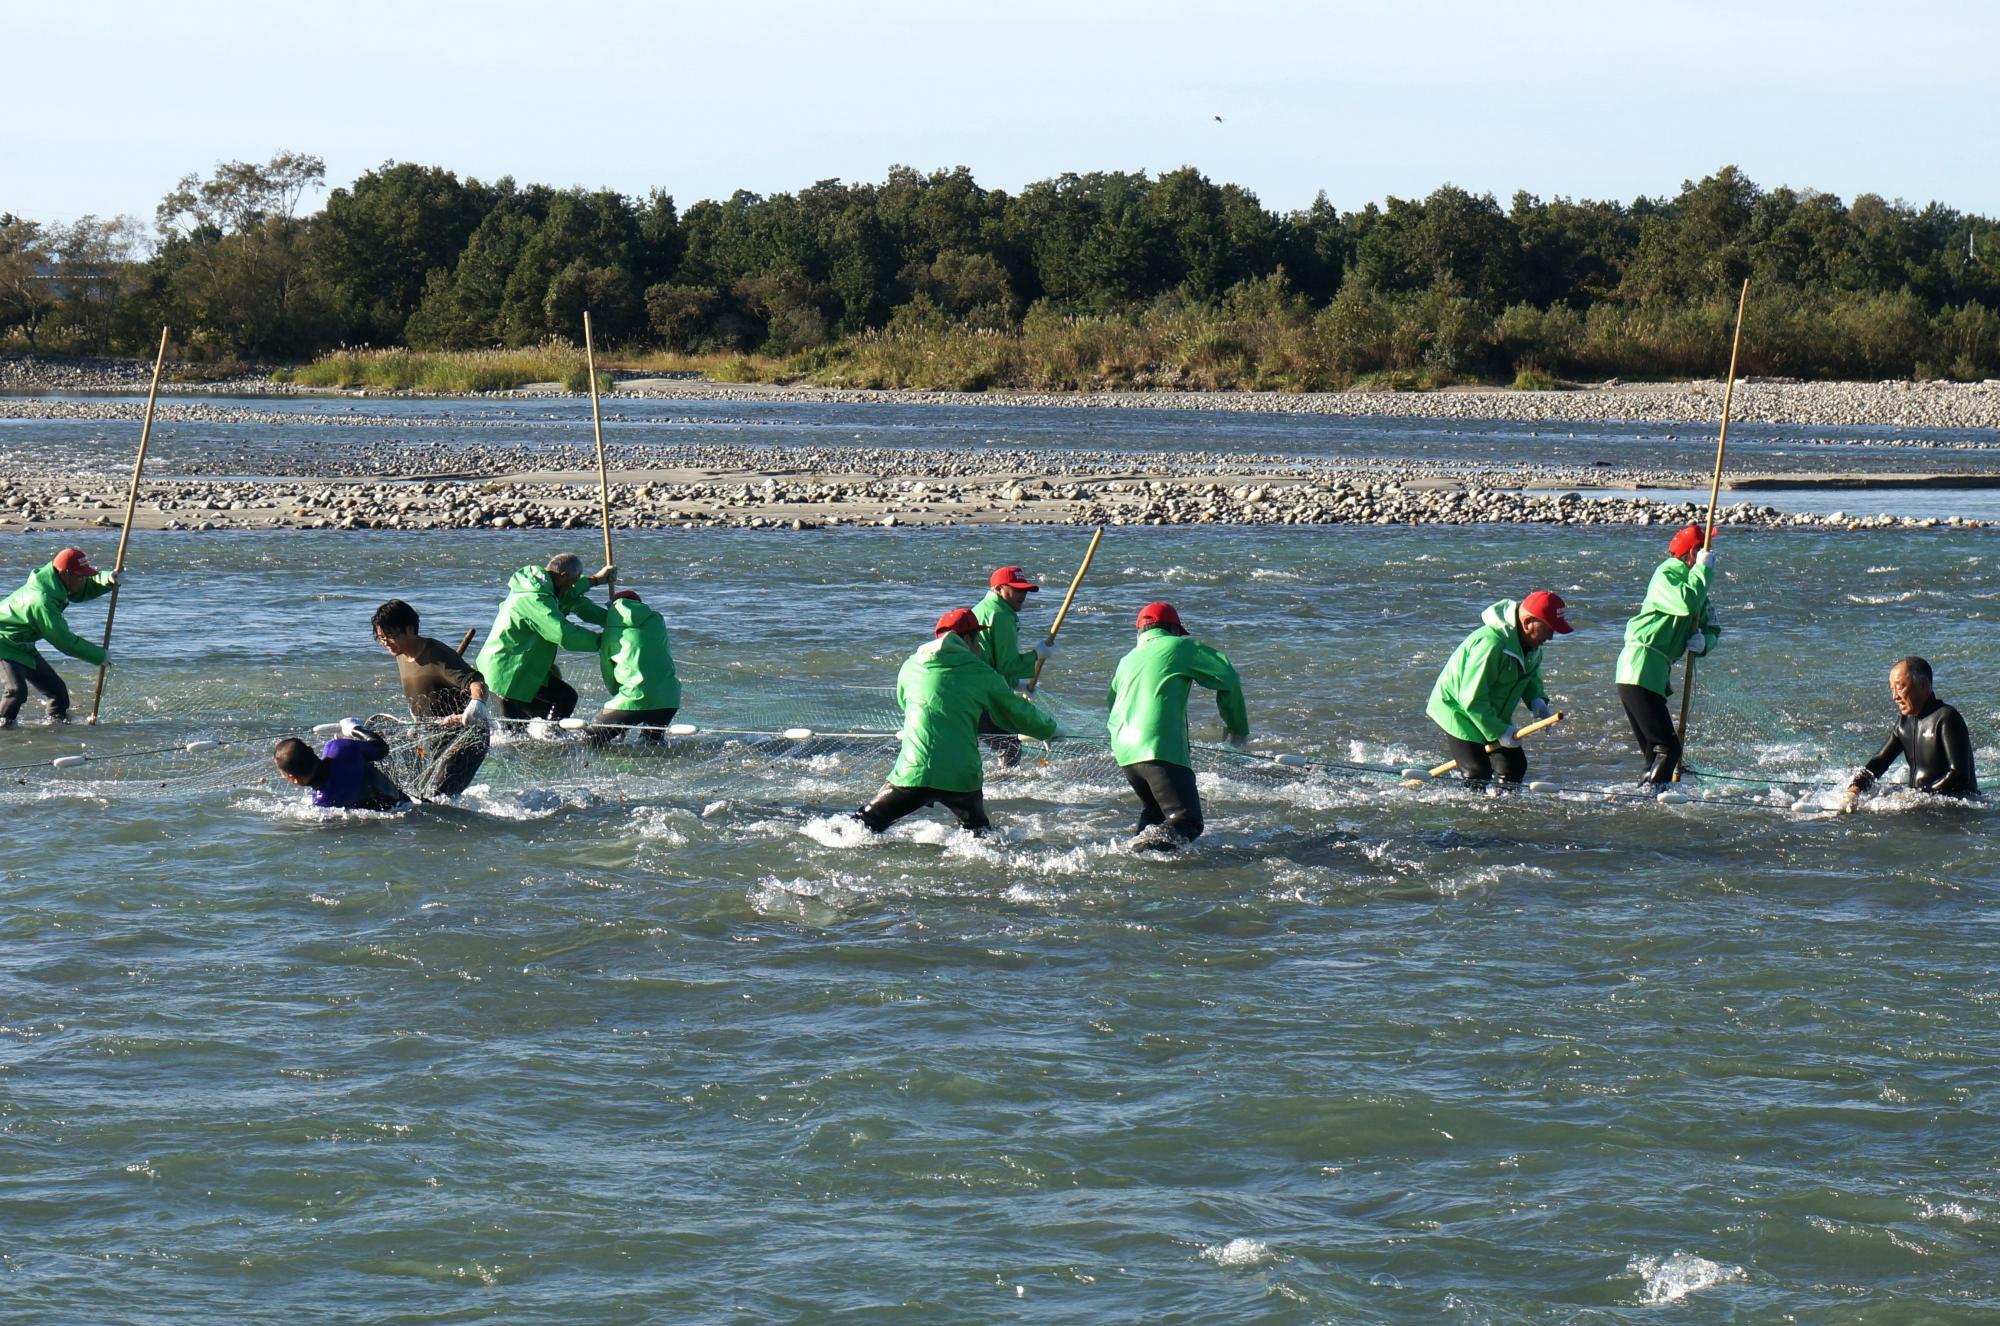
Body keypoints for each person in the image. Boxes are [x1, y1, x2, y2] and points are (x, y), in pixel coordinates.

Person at [851, 608, 1059, 837]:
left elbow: (904, 703)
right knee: (979, 835)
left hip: (915, 770)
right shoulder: (980, 671)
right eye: (977, 639)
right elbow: (1016, 712)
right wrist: (1050, 729)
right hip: (961, 776)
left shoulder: (911, 666)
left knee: (863, 824)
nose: (979, 647)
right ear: (967, 639)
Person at [1106, 601, 1249, 850]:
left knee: (1156, 815)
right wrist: (1237, 728)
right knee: (1187, 821)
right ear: (1173, 629)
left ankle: (1134, 860)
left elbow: (1111, 702)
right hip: (1158, 747)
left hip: (1125, 752)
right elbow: (1228, 677)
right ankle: (1138, 851)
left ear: (1140, 631)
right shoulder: (1178, 646)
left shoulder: (1127, 659)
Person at [1425, 590, 1570, 788]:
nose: (1552, 637)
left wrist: (1537, 700)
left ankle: (1503, 808)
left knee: (1515, 765)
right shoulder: (1491, 644)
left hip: (1491, 709)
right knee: (1477, 772)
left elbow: (1530, 675)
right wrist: (1499, 732)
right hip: (1459, 710)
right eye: (1550, 629)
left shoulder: (1532, 646)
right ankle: (1473, 813)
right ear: (1528, 623)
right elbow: (1472, 699)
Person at [1615, 524, 1721, 785]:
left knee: (1655, 752)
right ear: (1692, 553)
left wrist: (1704, 642)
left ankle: (1645, 794)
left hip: (1655, 672)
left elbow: (1713, 627)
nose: (1711, 553)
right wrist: (1703, 570)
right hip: (1639, 666)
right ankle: (1654, 795)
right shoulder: (1667, 573)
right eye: (1704, 549)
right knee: (1668, 749)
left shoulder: (1698, 585)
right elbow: (1685, 603)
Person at [371, 599, 492, 798]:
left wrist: (477, 704)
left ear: (410, 629)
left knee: (436, 798)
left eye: (390, 636)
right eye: (381, 638)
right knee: (418, 795)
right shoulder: (401, 654)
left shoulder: (436, 655)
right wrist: (416, 718)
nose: (386, 643)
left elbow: (477, 683)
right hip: (435, 737)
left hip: (467, 738)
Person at [474, 553, 614, 721]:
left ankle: (549, 736)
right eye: (574, 581)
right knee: (514, 731)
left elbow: (576, 598)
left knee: (564, 699)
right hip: (505, 673)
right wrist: (606, 642)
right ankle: (547, 737)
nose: (574, 586)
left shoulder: (550, 589)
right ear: (563, 577)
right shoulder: (534, 598)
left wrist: (615, 622)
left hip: (525, 670)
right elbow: (563, 634)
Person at [0, 547, 116, 728]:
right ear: (65, 573)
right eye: (80, 576)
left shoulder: (59, 583)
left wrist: (108, 579)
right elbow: (63, 641)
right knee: (17, 691)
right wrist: (99, 656)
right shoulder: (42, 600)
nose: (83, 579)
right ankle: (5, 730)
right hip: (3, 643)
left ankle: (58, 728)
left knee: (58, 692)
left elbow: (83, 589)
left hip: (23, 645)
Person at [1846, 656, 1978, 800]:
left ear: (1923, 685)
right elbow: (1880, 761)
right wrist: (1855, 788)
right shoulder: (1904, 723)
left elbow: (1959, 775)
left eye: (1900, 687)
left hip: (1958, 809)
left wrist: (1918, 795)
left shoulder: (1946, 717)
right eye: (1892, 689)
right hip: (1922, 804)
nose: (1895, 696)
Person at [972, 565, 1052, 768]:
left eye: (1024, 590)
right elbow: (1007, 665)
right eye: (1015, 589)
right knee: (1010, 746)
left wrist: (1017, 683)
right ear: (998, 589)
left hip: (969, 689)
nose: (1022, 594)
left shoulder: (981, 609)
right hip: (982, 696)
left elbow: (990, 661)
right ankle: (1005, 786)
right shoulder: (1000, 615)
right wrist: (1036, 655)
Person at [588, 589, 681, 745]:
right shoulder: (657, 621)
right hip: (669, 699)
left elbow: (609, 674)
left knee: (590, 738)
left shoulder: (611, 634)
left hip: (634, 697)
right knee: (651, 744)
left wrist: (619, 700)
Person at [273, 719, 410, 812]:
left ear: (294, 779)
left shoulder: (323, 804)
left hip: (391, 819)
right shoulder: (340, 748)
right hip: (405, 803)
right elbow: (381, 748)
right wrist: (352, 729)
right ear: (311, 750)